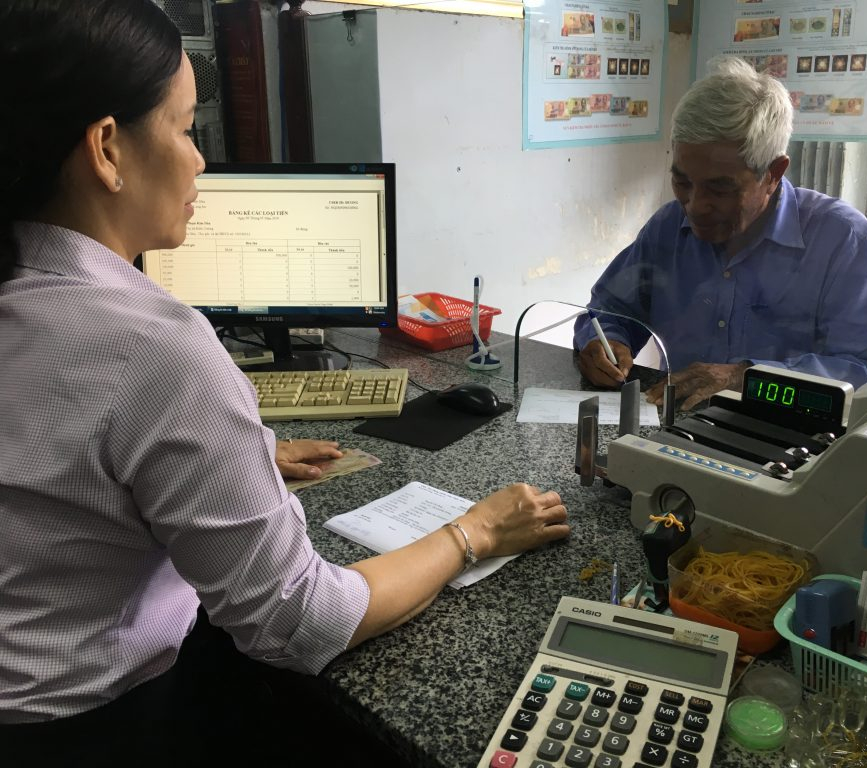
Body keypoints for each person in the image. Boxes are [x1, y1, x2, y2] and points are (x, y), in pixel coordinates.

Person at [0, 1, 570, 764]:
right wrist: (476, 532)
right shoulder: (153, 346)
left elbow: (50, 472)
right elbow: (299, 620)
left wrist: (224, 461)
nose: (200, 160)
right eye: (184, 129)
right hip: (94, 731)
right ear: (106, 148)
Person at [574, 57, 867, 410]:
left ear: (774, 173)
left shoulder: (842, 240)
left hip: (793, 434)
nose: (695, 206)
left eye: (720, 189)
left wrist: (746, 378)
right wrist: (605, 342)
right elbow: (608, 310)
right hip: (679, 421)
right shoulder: (669, 228)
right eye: (682, 182)